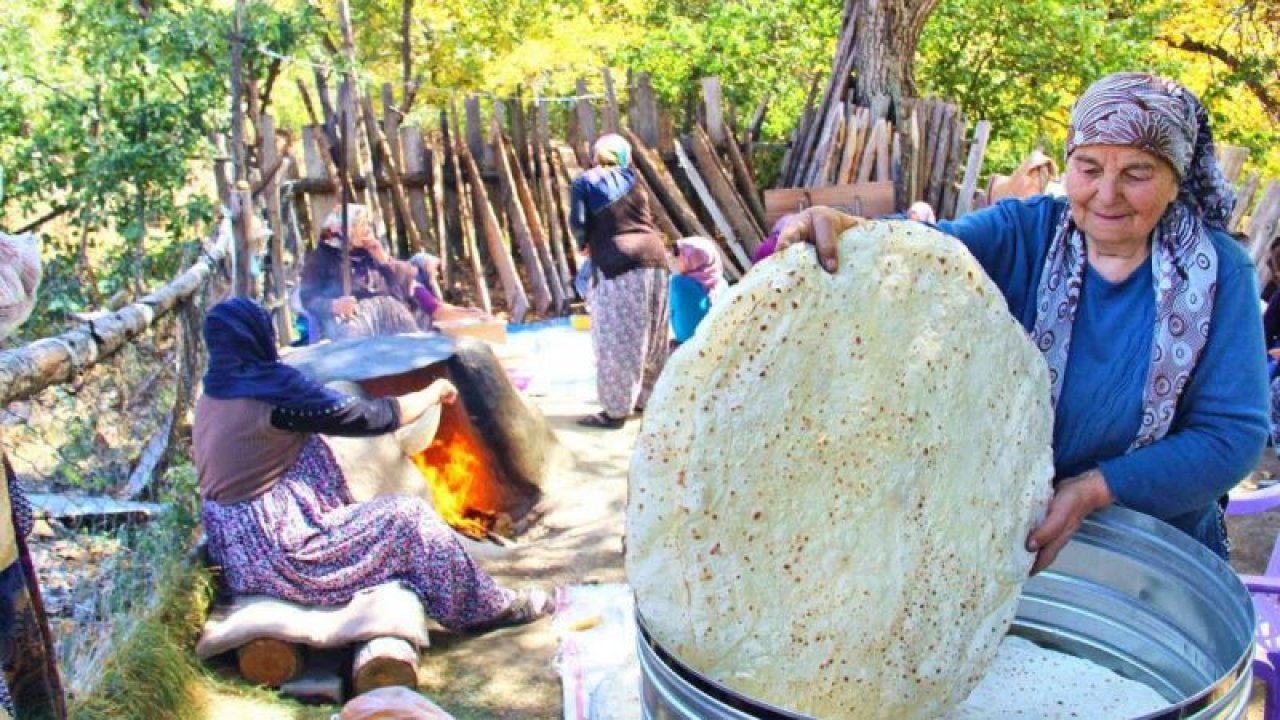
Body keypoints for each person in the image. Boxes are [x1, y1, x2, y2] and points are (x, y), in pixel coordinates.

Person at [775, 72, 1269, 573]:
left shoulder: (1217, 272)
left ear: (1175, 180)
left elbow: (1230, 435)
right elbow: (920, 252)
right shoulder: (1025, 232)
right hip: (1006, 530)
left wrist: (1095, 488)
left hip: (1151, 554)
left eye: (1137, 173)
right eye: (1089, 167)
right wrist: (850, 231)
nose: (1107, 193)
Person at [193, 298, 552, 631]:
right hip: (280, 555)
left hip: (236, 552)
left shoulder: (216, 390)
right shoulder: (272, 391)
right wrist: (432, 393)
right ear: (259, 336)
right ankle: (487, 609)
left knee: (316, 446)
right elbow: (374, 416)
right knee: (408, 519)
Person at [569, 133, 670, 429]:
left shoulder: (585, 181)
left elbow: (578, 221)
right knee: (653, 335)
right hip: (656, 257)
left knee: (617, 337)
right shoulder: (635, 180)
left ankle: (615, 412)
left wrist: (583, 242)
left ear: (596, 155)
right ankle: (649, 401)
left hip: (618, 262)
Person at [299, 204, 423, 340]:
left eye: (367, 224)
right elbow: (307, 298)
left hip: (388, 322)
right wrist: (334, 305)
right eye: (361, 225)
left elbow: (401, 289)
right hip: (347, 328)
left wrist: (384, 260)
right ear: (344, 230)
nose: (367, 229)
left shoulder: (370, 252)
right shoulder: (322, 259)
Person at [669, 236, 727, 346]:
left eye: (678, 254)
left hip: (691, 346)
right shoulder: (721, 282)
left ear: (693, 258)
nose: (674, 258)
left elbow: (683, 332)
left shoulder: (680, 284)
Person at [407, 252, 491, 326]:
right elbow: (440, 313)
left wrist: (468, 311)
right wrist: (474, 316)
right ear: (422, 268)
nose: (436, 273)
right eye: (433, 269)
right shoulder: (416, 289)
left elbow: (440, 305)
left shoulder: (419, 287)